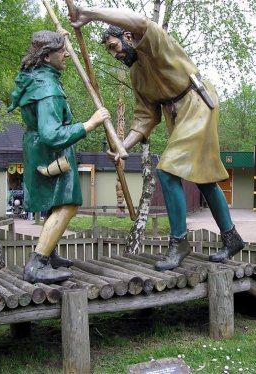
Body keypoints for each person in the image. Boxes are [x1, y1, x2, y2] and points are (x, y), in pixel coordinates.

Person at [71, 7, 245, 271]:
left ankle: (179, 242)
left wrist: (90, 14)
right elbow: (145, 118)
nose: (114, 53)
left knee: (166, 172)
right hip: (177, 113)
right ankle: (231, 238)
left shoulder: (155, 43)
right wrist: (122, 146)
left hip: (196, 103)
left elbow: (140, 21)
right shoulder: (136, 75)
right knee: (204, 178)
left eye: (114, 46)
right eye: (109, 50)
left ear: (128, 36)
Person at [8, 30, 110, 284]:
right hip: (51, 150)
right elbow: (52, 134)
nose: (66, 54)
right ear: (46, 56)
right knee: (67, 204)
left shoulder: (36, 77)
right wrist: (89, 124)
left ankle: (50, 254)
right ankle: (38, 263)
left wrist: (62, 37)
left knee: (55, 203)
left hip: (37, 148)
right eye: (61, 50)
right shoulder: (48, 88)